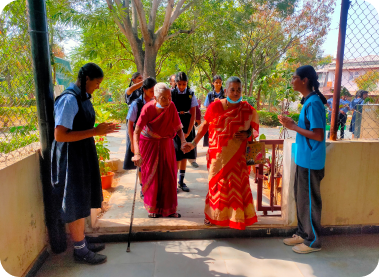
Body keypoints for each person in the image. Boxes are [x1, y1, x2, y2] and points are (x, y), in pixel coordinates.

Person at [51, 63, 119, 264]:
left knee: (83, 197)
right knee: (74, 199)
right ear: (87, 79)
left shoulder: (82, 97)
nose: (98, 87)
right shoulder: (69, 99)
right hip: (72, 156)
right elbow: (60, 135)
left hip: (82, 153)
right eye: (97, 83)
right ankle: (80, 250)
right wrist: (94, 132)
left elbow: (80, 125)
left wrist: (98, 129)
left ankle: (82, 241)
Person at [183, 76, 259, 230]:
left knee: (237, 187)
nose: (236, 92)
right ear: (225, 90)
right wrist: (193, 143)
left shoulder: (247, 109)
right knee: (217, 185)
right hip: (218, 155)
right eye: (232, 89)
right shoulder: (215, 106)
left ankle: (236, 218)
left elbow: (254, 130)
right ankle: (213, 216)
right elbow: (205, 126)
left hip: (239, 156)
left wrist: (248, 133)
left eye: (239, 89)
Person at [278, 65, 326, 254]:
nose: (292, 81)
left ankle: (313, 241)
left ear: (304, 80)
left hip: (311, 161)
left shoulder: (313, 103)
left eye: (294, 78)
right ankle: (303, 233)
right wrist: (293, 125)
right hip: (304, 159)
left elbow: (318, 135)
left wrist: (293, 127)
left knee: (310, 201)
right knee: (302, 199)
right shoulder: (308, 101)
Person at [132, 83, 186, 218]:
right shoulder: (147, 108)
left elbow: (178, 128)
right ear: (155, 97)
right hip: (149, 144)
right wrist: (137, 153)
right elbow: (137, 131)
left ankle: (170, 209)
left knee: (169, 174)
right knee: (153, 175)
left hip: (166, 143)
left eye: (169, 97)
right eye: (163, 98)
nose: (168, 101)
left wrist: (183, 141)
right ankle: (153, 208)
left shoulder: (171, 106)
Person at [123, 77, 157, 199]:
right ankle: (143, 187)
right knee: (141, 165)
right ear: (144, 90)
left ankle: (152, 186)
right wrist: (133, 143)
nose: (154, 94)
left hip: (152, 140)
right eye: (151, 91)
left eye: (155, 91)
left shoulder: (156, 102)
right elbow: (130, 124)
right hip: (140, 140)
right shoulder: (136, 104)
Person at [171, 72, 198, 192]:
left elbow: (193, 114)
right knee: (177, 156)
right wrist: (177, 130)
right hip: (175, 124)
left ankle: (181, 182)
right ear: (175, 83)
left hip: (187, 125)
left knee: (185, 155)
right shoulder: (171, 93)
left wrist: (188, 131)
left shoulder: (191, 94)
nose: (182, 86)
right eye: (179, 84)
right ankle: (173, 182)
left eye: (184, 84)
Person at [203, 75, 226, 146]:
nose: (218, 84)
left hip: (223, 120)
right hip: (212, 120)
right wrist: (213, 104)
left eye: (220, 82)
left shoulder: (225, 94)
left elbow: (228, 106)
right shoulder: (210, 95)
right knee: (212, 139)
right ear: (213, 83)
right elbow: (207, 107)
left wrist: (221, 101)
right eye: (216, 82)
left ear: (222, 83)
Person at [188, 99, 202, 168]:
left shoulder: (190, 93)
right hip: (177, 122)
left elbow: (196, 107)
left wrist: (198, 118)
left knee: (191, 139)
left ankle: (192, 160)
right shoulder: (173, 93)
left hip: (189, 122)